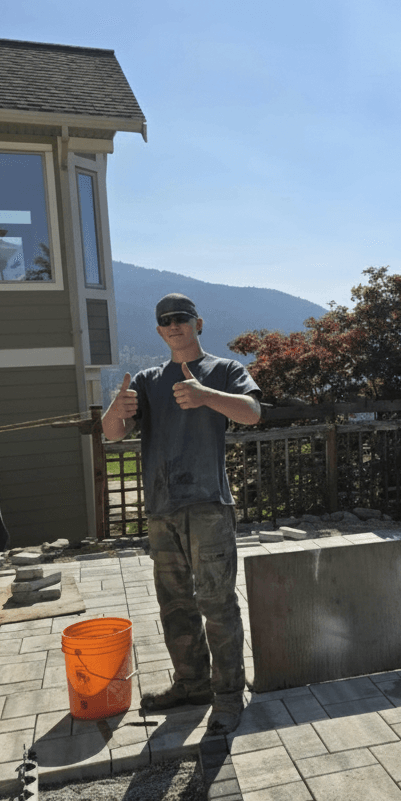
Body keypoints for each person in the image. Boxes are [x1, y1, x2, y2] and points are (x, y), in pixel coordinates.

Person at [101, 292, 261, 733]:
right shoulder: (150, 380)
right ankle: (192, 684)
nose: (174, 325)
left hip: (209, 505)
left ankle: (228, 693)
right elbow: (114, 434)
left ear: (198, 323)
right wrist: (114, 412)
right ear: (158, 330)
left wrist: (205, 394)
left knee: (217, 603)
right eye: (165, 320)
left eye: (182, 318)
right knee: (174, 604)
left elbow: (252, 413)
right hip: (161, 510)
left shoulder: (225, 370)